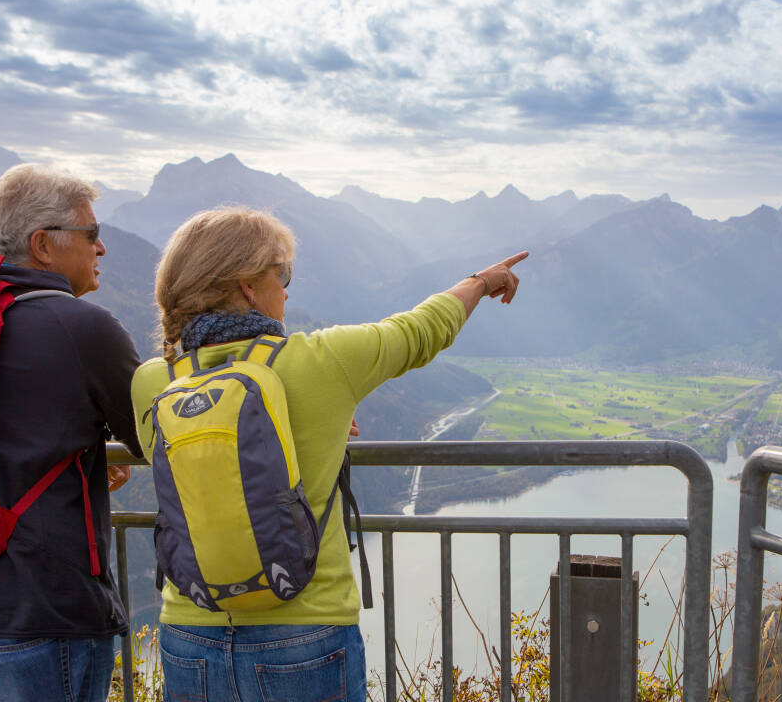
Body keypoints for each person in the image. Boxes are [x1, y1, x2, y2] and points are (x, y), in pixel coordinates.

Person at [131, 207, 526, 702]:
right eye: (283, 274)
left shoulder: (154, 381)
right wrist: (482, 281)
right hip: (305, 629)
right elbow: (423, 329)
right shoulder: (322, 361)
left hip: (189, 631)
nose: (288, 290)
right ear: (249, 285)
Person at [0, 164, 142, 702]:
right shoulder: (83, 328)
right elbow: (158, 434)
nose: (101, 249)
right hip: (44, 617)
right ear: (42, 245)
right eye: (92, 235)